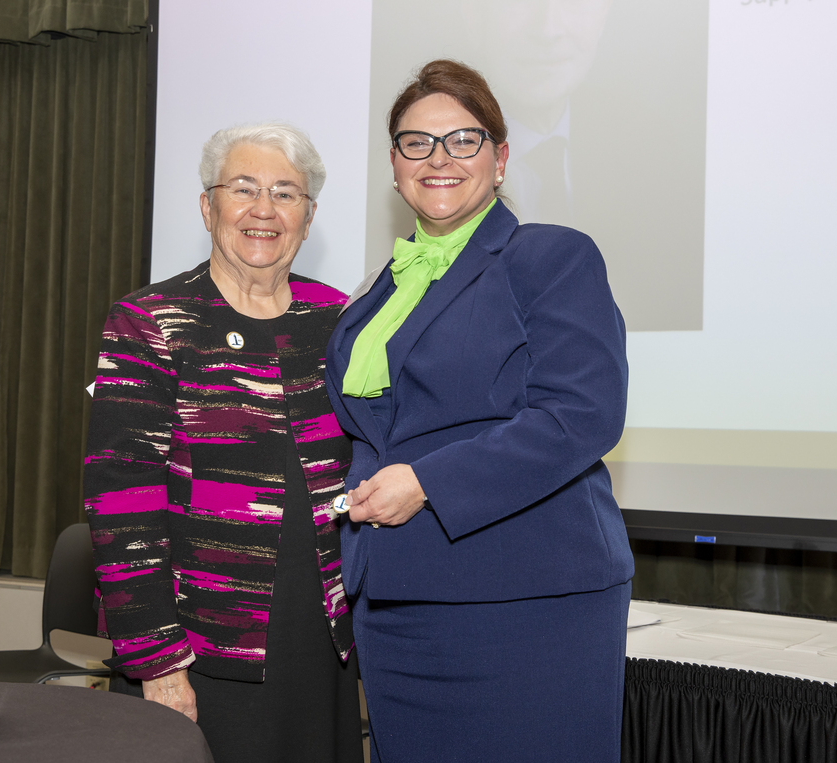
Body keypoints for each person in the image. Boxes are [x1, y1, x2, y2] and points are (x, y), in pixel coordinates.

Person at [326, 59, 634, 762]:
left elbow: (580, 415)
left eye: (462, 140)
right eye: (415, 142)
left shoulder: (550, 256)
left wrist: (428, 481)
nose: (438, 159)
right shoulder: (378, 291)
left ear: (498, 159)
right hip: (397, 602)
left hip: (524, 601)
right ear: (395, 164)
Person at [84, 123, 363, 763]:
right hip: (200, 652)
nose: (264, 210)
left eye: (286, 193)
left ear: (310, 216)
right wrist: (157, 661)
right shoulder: (150, 320)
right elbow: (120, 503)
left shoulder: (338, 319)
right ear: (208, 207)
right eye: (244, 189)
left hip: (319, 644)